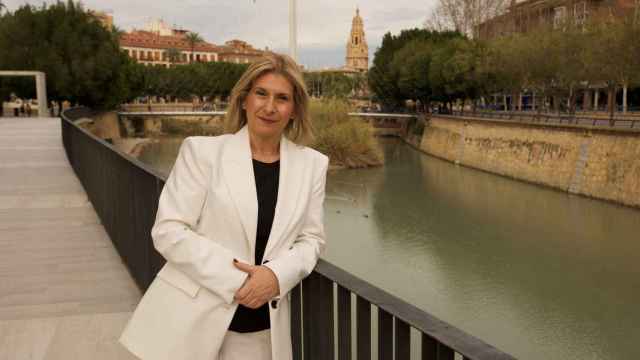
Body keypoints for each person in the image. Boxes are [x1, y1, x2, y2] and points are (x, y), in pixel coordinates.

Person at [119, 52, 329, 360]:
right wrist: (240, 280)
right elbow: (169, 230)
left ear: (294, 109)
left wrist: (275, 276)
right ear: (244, 100)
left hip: (261, 330)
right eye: (261, 94)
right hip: (190, 321)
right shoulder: (202, 153)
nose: (270, 107)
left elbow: (311, 240)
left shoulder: (312, 165)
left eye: (282, 98)